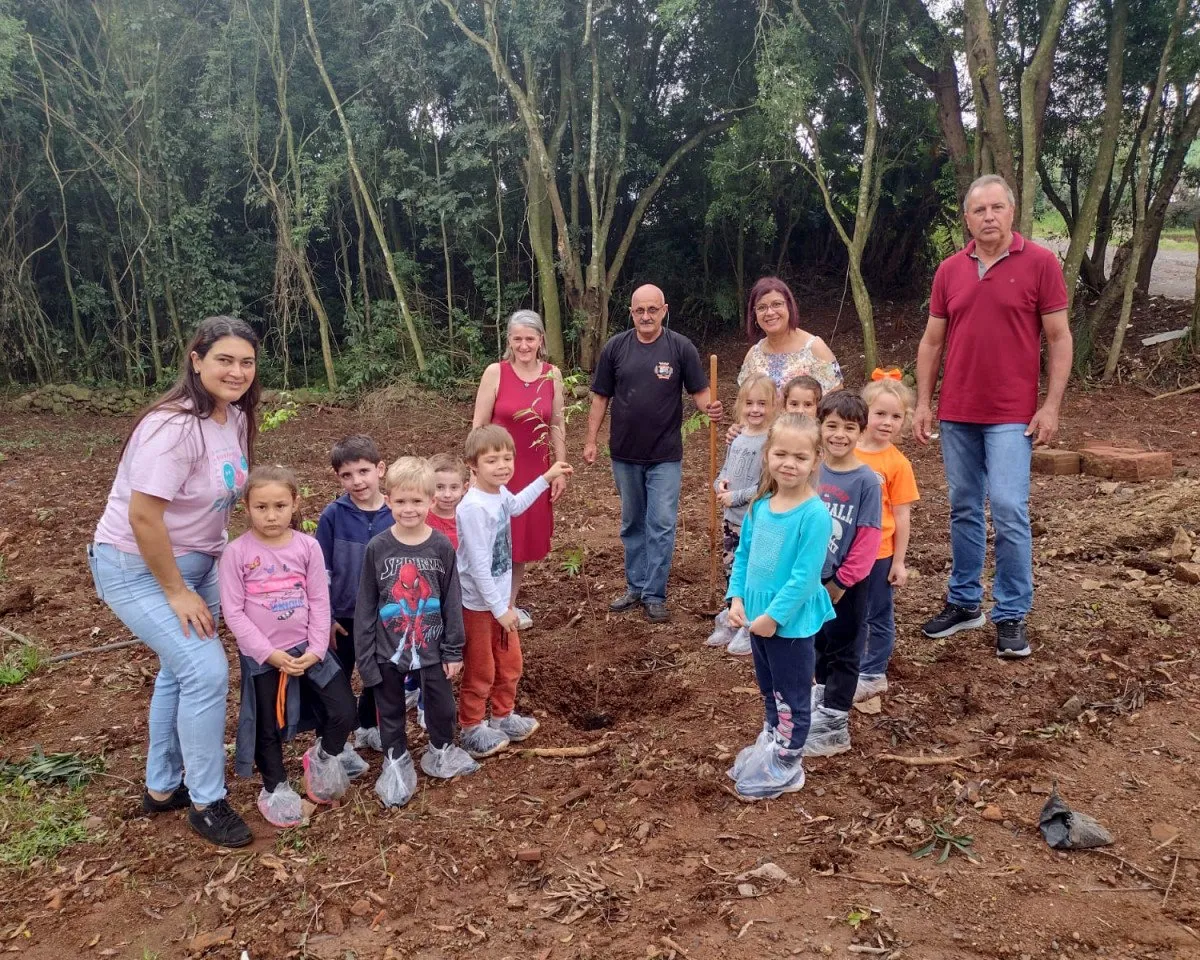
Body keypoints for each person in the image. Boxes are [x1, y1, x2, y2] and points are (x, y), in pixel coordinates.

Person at [89, 315, 259, 848]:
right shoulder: (173, 427)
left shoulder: (232, 416)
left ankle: (162, 787)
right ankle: (206, 801)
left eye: (246, 362)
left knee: (180, 668)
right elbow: (144, 519)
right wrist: (176, 592)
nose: (236, 371)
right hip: (139, 568)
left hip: (202, 559)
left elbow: (218, 500)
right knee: (205, 670)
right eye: (224, 360)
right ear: (197, 360)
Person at [913, 174, 1071, 660]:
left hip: (1012, 414)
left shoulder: (1041, 264)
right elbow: (932, 341)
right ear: (967, 219)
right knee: (963, 506)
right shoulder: (950, 271)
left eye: (996, 208)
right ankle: (964, 603)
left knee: (1007, 507)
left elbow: (1060, 338)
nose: (988, 217)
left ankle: (1011, 612)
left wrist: (1051, 405)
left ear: (1012, 211)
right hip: (958, 410)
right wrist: (923, 400)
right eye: (979, 210)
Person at [220, 466, 364, 828]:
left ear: (295, 503)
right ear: (247, 508)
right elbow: (233, 612)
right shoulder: (236, 553)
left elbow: (319, 600)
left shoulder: (308, 546)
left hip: (308, 647)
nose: (271, 515)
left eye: (280, 506)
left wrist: (316, 649)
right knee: (266, 726)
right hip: (264, 657)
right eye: (261, 507)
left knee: (344, 709)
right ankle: (275, 787)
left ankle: (320, 759)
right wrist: (268, 653)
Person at [583, 283, 723, 623]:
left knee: (660, 523)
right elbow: (601, 397)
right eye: (639, 310)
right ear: (631, 313)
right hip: (624, 454)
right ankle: (635, 585)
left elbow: (700, 392)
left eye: (652, 309)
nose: (646, 316)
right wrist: (590, 440)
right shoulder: (616, 348)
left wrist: (711, 409)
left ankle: (654, 593)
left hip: (665, 455)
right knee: (633, 522)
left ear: (664, 310)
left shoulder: (680, 348)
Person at [354, 457, 480, 808]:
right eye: (401, 501)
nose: (409, 509)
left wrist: (454, 648)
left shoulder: (440, 546)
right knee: (390, 709)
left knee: (441, 705)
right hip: (387, 650)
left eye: (417, 501)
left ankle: (442, 750)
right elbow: (366, 606)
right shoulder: (378, 548)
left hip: (434, 648)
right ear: (388, 500)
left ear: (430, 501)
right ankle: (395, 763)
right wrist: (366, 659)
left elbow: (452, 598)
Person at [724, 413, 834, 800]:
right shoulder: (760, 506)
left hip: (788, 624)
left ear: (815, 460)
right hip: (757, 619)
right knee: (769, 688)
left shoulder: (814, 515)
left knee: (793, 693)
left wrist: (774, 617)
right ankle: (772, 738)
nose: (789, 463)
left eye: (800, 457)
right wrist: (736, 600)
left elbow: (805, 578)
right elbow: (744, 554)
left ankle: (788, 761)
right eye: (781, 454)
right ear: (767, 454)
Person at [456, 426, 573, 758]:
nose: (502, 466)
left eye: (507, 458)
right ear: (473, 465)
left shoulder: (498, 494)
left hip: (499, 603)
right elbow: (478, 565)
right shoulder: (474, 507)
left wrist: (546, 476)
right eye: (492, 460)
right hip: (479, 605)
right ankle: (472, 727)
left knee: (510, 663)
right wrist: (499, 607)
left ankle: (503, 716)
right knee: (482, 668)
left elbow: (517, 506)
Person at [472, 310, 567, 631]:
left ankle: (509, 604)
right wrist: (475, 472)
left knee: (521, 540)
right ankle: (484, 604)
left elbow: (557, 423)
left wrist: (560, 468)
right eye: (517, 339)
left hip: (535, 471)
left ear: (541, 340)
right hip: (496, 471)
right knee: (490, 538)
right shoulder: (495, 373)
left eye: (530, 338)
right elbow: (478, 426)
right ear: (509, 342)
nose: (524, 345)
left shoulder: (553, 375)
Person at [806, 392, 883, 758]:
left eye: (849, 428)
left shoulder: (866, 480)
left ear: (861, 432)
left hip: (847, 583)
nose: (839, 435)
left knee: (845, 647)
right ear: (819, 426)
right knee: (817, 641)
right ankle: (820, 701)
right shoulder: (811, 470)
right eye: (831, 425)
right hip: (811, 577)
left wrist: (842, 582)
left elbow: (869, 538)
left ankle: (836, 722)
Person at [315, 435, 392, 753]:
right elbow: (320, 572)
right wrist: (327, 617)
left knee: (379, 673)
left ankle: (368, 725)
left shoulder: (396, 511)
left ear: (380, 469)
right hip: (344, 616)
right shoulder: (333, 516)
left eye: (363, 471)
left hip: (384, 614)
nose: (357, 481)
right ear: (338, 477)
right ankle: (331, 738)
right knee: (337, 678)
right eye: (347, 475)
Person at [854, 371, 920, 701]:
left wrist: (899, 561)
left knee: (877, 613)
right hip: (842, 550)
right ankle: (845, 663)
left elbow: (903, 515)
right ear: (864, 412)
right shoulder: (845, 451)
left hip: (879, 553)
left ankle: (873, 671)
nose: (886, 422)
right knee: (844, 610)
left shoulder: (898, 464)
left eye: (895, 416)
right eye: (880, 413)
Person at [706, 374, 776, 656]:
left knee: (751, 571)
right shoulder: (738, 437)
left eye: (762, 403)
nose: (755, 409)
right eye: (749, 403)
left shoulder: (771, 440)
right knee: (731, 569)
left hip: (754, 521)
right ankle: (731, 616)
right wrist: (718, 484)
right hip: (731, 520)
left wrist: (735, 497)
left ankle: (749, 623)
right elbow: (726, 469)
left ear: (774, 406)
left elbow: (767, 485)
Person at [737, 277, 843, 396]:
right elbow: (744, 405)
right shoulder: (753, 356)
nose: (770, 312)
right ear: (754, 313)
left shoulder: (815, 349)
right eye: (762, 307)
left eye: (776, 304)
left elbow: (837, 405)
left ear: (789, 306)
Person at [427, 453, 469, 550]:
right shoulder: (422, 519)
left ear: (464, 488)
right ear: (427, 486)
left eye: (454, 487)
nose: (447, 495)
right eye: (439, 487)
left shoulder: (468, 520)